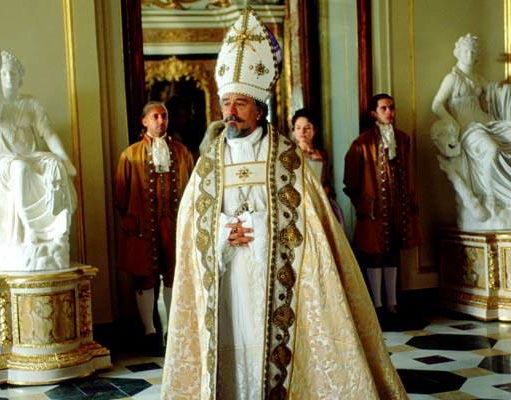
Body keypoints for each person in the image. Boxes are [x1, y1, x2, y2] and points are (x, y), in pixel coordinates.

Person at [162, 8, 407, 399]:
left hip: (271, 278)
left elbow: (309, 227)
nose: (229, 112)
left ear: (259, 108)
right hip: (226, 278)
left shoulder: (287, 161)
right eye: (226, 103)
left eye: (240, 104)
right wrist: (224, 232)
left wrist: (258, 228)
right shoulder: (208, 161)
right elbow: (192, 221)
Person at [0, 44, 77, 271]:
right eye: (4, 73)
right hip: (3, 161)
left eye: (12, 73)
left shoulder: (31, 103)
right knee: (20, 169)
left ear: (20, 79)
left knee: (54, 165)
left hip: (31, 156)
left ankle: (57, 233)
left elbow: (49, 134)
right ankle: (29, 227)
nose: (8, 77)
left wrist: (64, 159)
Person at [114, 101, 193, 355]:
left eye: (164, 116)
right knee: (144, 276)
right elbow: (121, 194)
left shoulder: (182, 153)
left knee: (174, 273)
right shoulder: (130, 154)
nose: (161, 121)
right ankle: (149, 330)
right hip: (142, 224)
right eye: (156, 117)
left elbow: (192, 187)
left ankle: (172, 328)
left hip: (173, 222)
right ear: (144, 121)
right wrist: (131, 218)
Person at [343, 93, 422, 317]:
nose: (390, 112)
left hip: (398, 208)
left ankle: (392, 303)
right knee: (374, 254)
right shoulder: (362, 143)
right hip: (373, 210)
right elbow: (350, 182)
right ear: (373, 113)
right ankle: (377, 304)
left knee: (393, 252)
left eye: (391, 108)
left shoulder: (403, 139)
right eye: (384, 108)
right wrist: (363, 205)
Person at [431, 33, 511, 230]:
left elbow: (496, 91)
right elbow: (437, 104)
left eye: (473, 51)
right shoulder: (452, 78)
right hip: (467, 128)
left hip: (486, 123)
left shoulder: (477, 78)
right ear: (458, 52)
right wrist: (451, 122)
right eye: (466, 50)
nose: (469, 54)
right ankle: (490, 195)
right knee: (491, 149)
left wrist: (505, 89)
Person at [291, 107, 345, 229]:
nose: (302, 132)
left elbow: (327, 180)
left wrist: (324, 191)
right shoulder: (289, 155)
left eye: (307, 128)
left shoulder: (322, 154)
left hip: (321, 200)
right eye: (298, 127)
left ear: (314, 130)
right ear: (293, 130)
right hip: (299, 203)